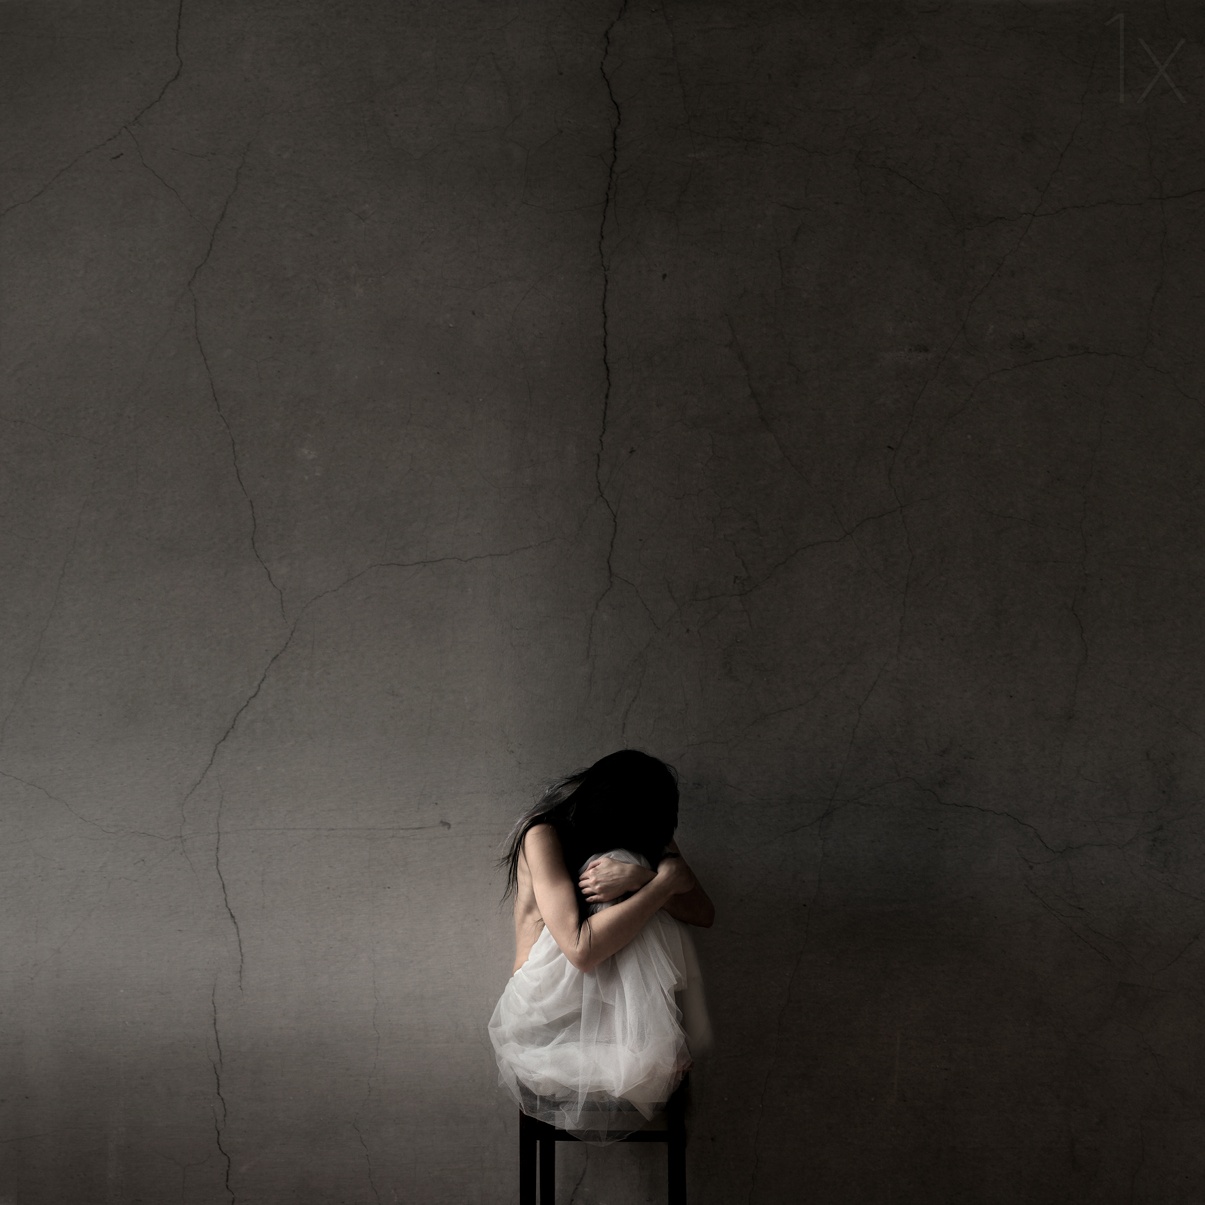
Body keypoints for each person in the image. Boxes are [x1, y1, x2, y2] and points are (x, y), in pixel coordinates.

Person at [488, 749, 714, 1143]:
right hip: (546, 1019)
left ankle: (649, 1036)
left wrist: (640, 878)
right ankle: (656, 1040)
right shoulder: (544, 835)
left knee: (631, 862)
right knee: (627, 862)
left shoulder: (642, 828)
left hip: (615, 1017)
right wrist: (660, 883)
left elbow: (703, 912)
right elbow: (581, 951)